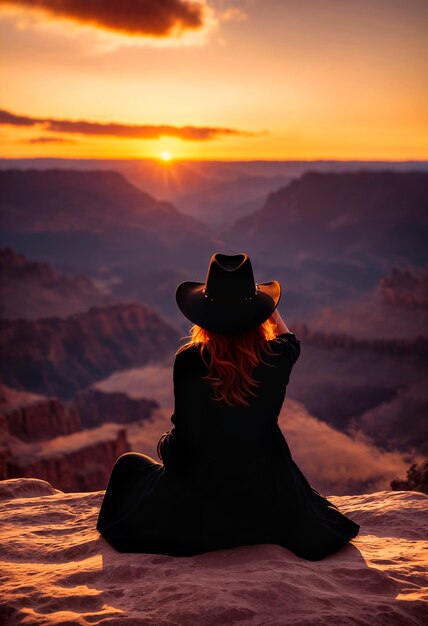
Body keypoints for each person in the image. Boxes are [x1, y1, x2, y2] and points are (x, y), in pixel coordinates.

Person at [96, 253, 360, 559]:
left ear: (205, 314)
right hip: (265, 499)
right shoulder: (276, 357)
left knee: (129, 466)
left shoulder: (189, 360)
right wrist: (265, 310)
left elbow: (181, 445)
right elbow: (290, 339)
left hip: (202, 506)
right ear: (258, 313)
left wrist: (163, 447)